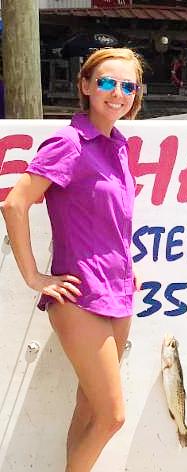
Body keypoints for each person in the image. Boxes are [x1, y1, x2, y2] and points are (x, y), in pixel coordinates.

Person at [1, 48, 143, 472]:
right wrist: (34, 277)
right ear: (85, 85)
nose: (117, 93)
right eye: (106, 82)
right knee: (112, 417)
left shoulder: (118, 145)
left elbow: (107, 219)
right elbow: (15, 204)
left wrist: (127, 266)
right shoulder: (69, 142)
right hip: (79, 294)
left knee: (89, 408)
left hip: (117, 290)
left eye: (128, 86)